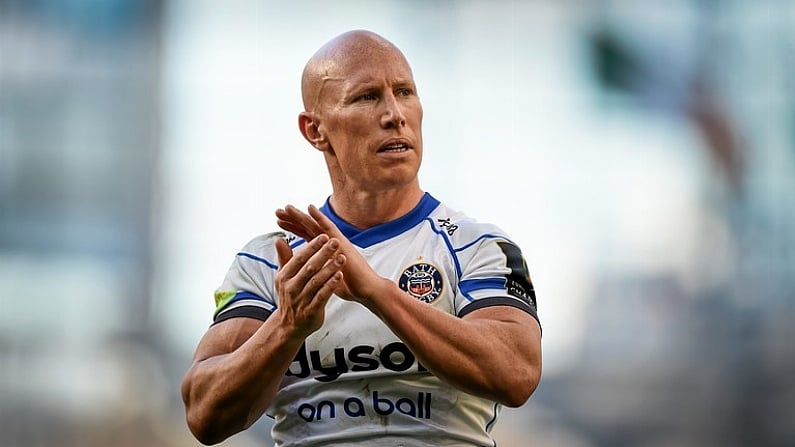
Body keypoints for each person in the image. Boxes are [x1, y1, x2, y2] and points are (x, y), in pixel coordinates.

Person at [181, 29, 542, 447]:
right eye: (367, 97)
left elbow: (516, 374)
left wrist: (375, 291)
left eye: (404, 92)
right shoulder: (269, 262)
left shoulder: (476, 246)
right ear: (315, 130)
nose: (394, 114)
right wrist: (287, 326)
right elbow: (204, 414)